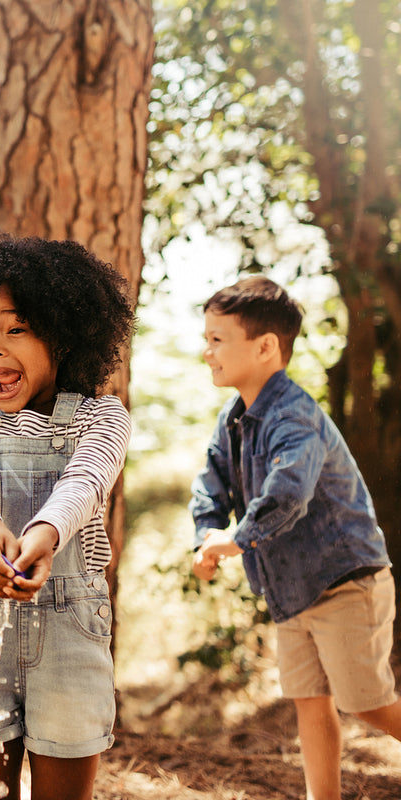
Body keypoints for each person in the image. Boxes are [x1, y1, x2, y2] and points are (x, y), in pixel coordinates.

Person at [0, 234, 135, 800]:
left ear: (62, 334)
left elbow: (84, 483)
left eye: (15, 329)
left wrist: (42, 535)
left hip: (70, 630)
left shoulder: (103, 418)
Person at [190, 276, 401, 800]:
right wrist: (208, 532)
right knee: (311, 700)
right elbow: (210, 483)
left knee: (366, 702)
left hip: (344, 582)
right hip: (290, 592)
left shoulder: (294, 416)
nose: (205, 352)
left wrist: (237, 540)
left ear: (265, 347)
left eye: (217, 339)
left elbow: (288, 493)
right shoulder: (234, 419)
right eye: (206, 338)